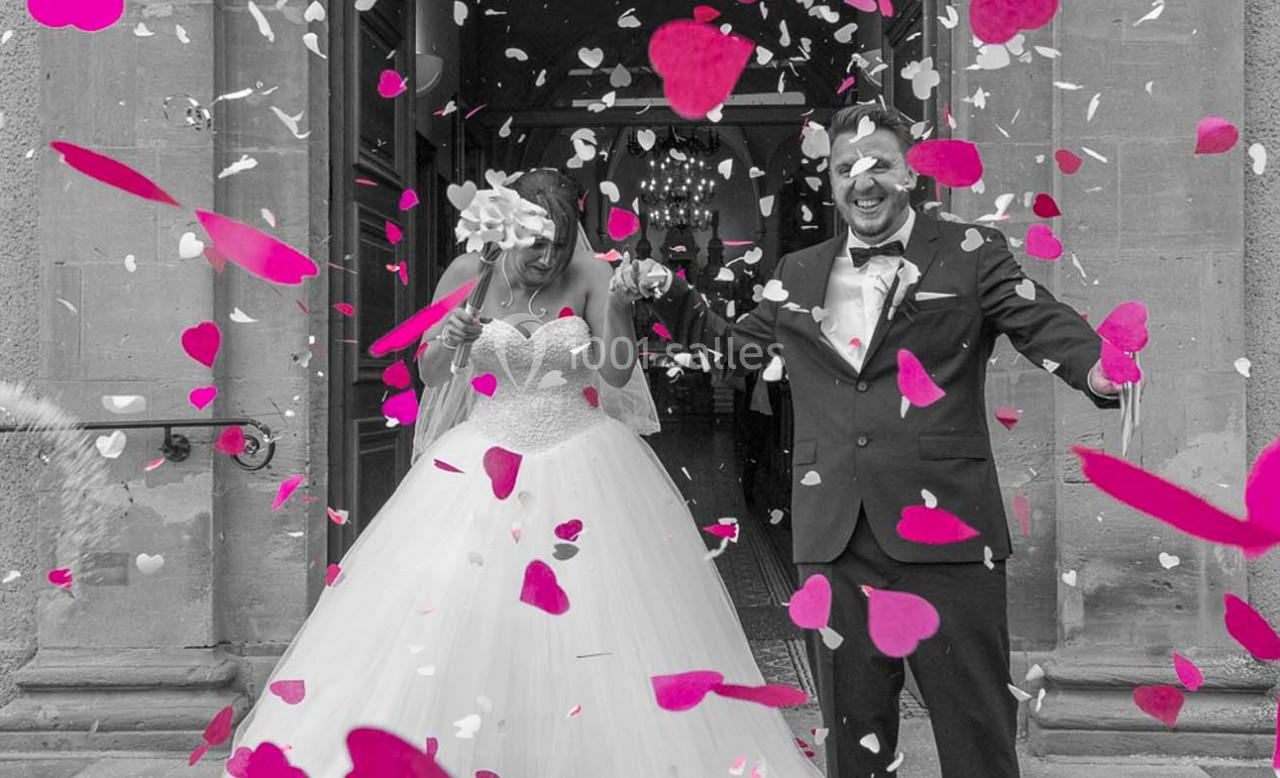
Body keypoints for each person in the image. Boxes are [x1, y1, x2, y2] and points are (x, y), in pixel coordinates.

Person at [223, 169, 825, 778]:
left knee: (602, 616)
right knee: (456, 609)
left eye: (560, 243)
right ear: (505, 231)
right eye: (536, 242)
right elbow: (430, 372)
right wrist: (449, 339)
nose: (548, 257)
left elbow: (616, 373)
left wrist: (620, 306)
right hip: (482, 462)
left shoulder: (591, 275)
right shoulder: (469, 273)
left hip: (585, 461)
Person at [614, 103, 1123, 778]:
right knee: (854, 743)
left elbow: (1039, 319)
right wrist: (669, 291)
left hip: (947, 530)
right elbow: (736, 350)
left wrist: (1096, 367)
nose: (862, 179)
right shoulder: (799, 271)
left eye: (879, 163)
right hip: (835, 538)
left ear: (911, 172)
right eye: (844, 167)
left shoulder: (970, 253)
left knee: (975, 733)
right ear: (830, 181)